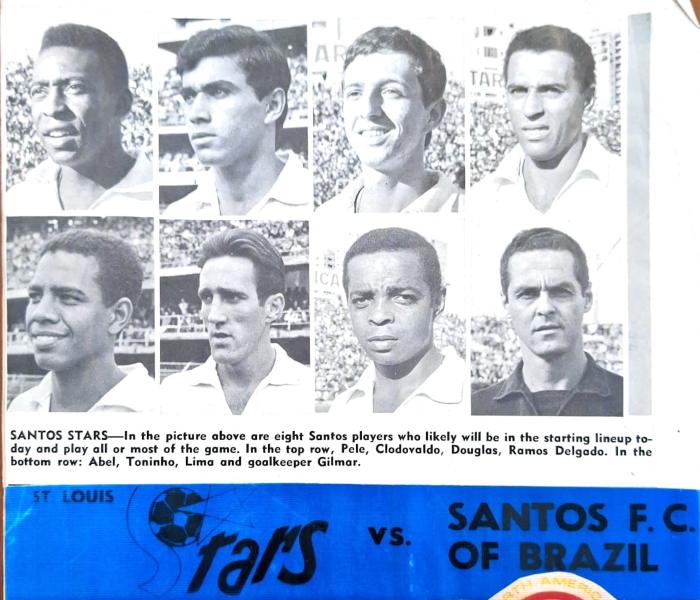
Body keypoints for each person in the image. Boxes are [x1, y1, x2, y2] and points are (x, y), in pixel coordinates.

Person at [470, 24, 624, 322]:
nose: (531, 109)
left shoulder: (634, 193)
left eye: (551, 90)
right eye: (518, 91)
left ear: (588, 97)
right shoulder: (479, 203)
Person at [472, 228, 623, 416]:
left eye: (561, 292)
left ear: (587, 298)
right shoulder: (477, 410)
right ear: (506, 304)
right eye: (528, 294)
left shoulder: (629, 402)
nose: (545, 308)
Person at [162, 25, 310, 217]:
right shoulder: (177, 213)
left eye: (218, 92)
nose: (196, 114)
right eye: (189, 96)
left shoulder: (315, 206)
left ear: (273, 105)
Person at [6, 23, 153, 215]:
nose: (52, 108)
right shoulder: (18, 200)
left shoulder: (153, 196)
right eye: (39, 91)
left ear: (121, 105)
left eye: (74, 87)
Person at [160, 229, 310, 415]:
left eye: (232, 297)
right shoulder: (173, 394)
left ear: (273, 308)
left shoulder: (307, 392)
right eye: (207, 298)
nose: (214, 316)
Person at [316, 27, 462, 213]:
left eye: (391, 91)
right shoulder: (324, 218)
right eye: (355, 93)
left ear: (432, 115)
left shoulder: (471, 215)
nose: (368, 110)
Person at [8, 229, 157, 412]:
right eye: (35, 296)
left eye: (68, 298)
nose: (40, 313)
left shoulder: (161, 410)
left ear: (118, 316)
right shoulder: (21, 408)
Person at [330, 228, 466, 413]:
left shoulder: (470, 400)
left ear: (438, 301)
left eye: (403, 297)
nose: (378, 316)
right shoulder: (342, 408)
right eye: (362, 300)